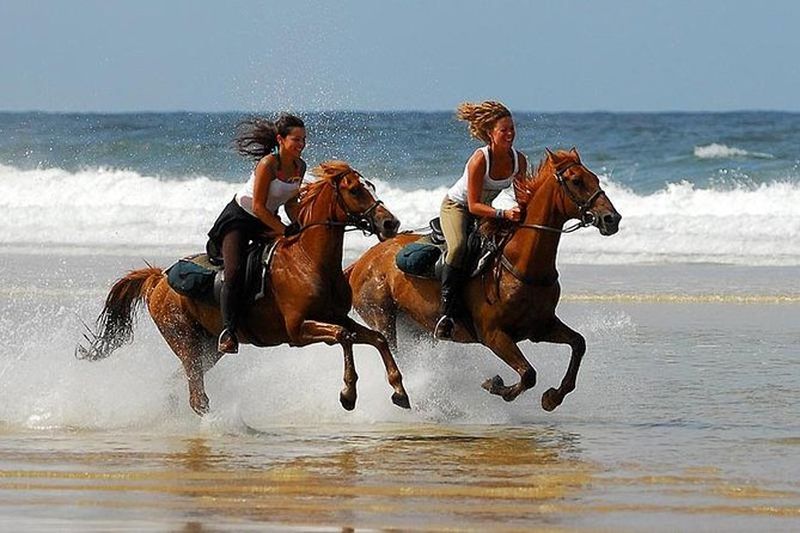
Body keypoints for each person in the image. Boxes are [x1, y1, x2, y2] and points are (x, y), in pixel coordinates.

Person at [206, 114, 307, 353]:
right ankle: (229, 332)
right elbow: (259, 207)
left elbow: (290, 202)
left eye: (304, 139)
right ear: (281, 139)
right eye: (296, 139)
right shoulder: (268, 164)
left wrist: (300, 224)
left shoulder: (299, 166)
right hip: (240, 220)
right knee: (234, 272)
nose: (301, 144)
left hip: (266, 221)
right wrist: (283, 229)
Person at [434, 101, 526, 340]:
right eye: (503, 130)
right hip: (457, 207)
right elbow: (473, 205)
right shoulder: (479, 160)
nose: (509, 134)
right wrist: (503, 214)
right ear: (490, 133)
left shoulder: (519, 161)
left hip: (486, 210)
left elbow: (522, 196)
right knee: (459, 247)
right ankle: (446, 312)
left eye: (512, 129)